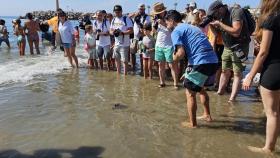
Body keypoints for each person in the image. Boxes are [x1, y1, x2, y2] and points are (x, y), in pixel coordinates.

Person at [165, 10, 218, 128]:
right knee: (200, 88)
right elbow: (194, 48)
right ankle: (207, 115)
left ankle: (192, 124)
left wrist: (171, 60)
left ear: (172, 21)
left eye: (167, 22)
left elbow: (181, 53)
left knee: (190, 93)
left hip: (201, 61)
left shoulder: (176, 31)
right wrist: (187, 70)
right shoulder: (191, 27)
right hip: (213, 60)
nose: (166, 25)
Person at [243, 0, 280, 154]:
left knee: (272, 113)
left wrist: (250, 76)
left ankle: (268, 148)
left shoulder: (270, 18)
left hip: (273, 70)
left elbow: (263, 52)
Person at [207, 1, 251, 102]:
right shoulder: (220, 17)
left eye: (214, 14)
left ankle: (232, 99)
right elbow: (218, 34)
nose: (214, 16)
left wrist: (220, 24)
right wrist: (212, 27)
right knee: (224, 70)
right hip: (227, 47)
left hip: (240, 47)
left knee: (237, 73)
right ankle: (220, 93)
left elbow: (236, 32)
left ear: (220, 9)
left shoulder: (236, 12)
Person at [152, 2, 178, 88]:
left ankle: (175, 84)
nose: (158, 14)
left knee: (172, 65)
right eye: (157, 13)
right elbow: (154, 32)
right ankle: (162, 82)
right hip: (159, 44)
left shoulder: (170, 17)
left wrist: (163, 23)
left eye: (159, 13)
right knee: (160, 64)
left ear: (163, 11)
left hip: (169, 45)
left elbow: (174, 30)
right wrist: (154, 25)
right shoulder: (156, 18)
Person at [110, 5, 133, 75]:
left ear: (121, 11)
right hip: (116, 44)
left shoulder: (126, 19)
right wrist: (113, 32)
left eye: (118, 12)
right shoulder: (113, 19)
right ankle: (118, 74)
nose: (117, 13)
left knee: (125, 61)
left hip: (124, 44)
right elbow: (110, 30)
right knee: (117, 60)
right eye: (115, 12)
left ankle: (125, 75)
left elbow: (131, 31)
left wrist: (122, 33)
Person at [129, 4, 152, 72]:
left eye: (142, 9)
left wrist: (139, 23)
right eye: (140, 9)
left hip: (142, 38)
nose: (141, 10)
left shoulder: (147, 17)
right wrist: (133, 15)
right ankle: (133, 67)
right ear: (138, 9)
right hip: (135, 38)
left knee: (142, 54)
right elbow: (128, 17)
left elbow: (146, 26)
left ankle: (142, 69)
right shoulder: (136, 16)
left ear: (144, 9)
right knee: (132, 53)